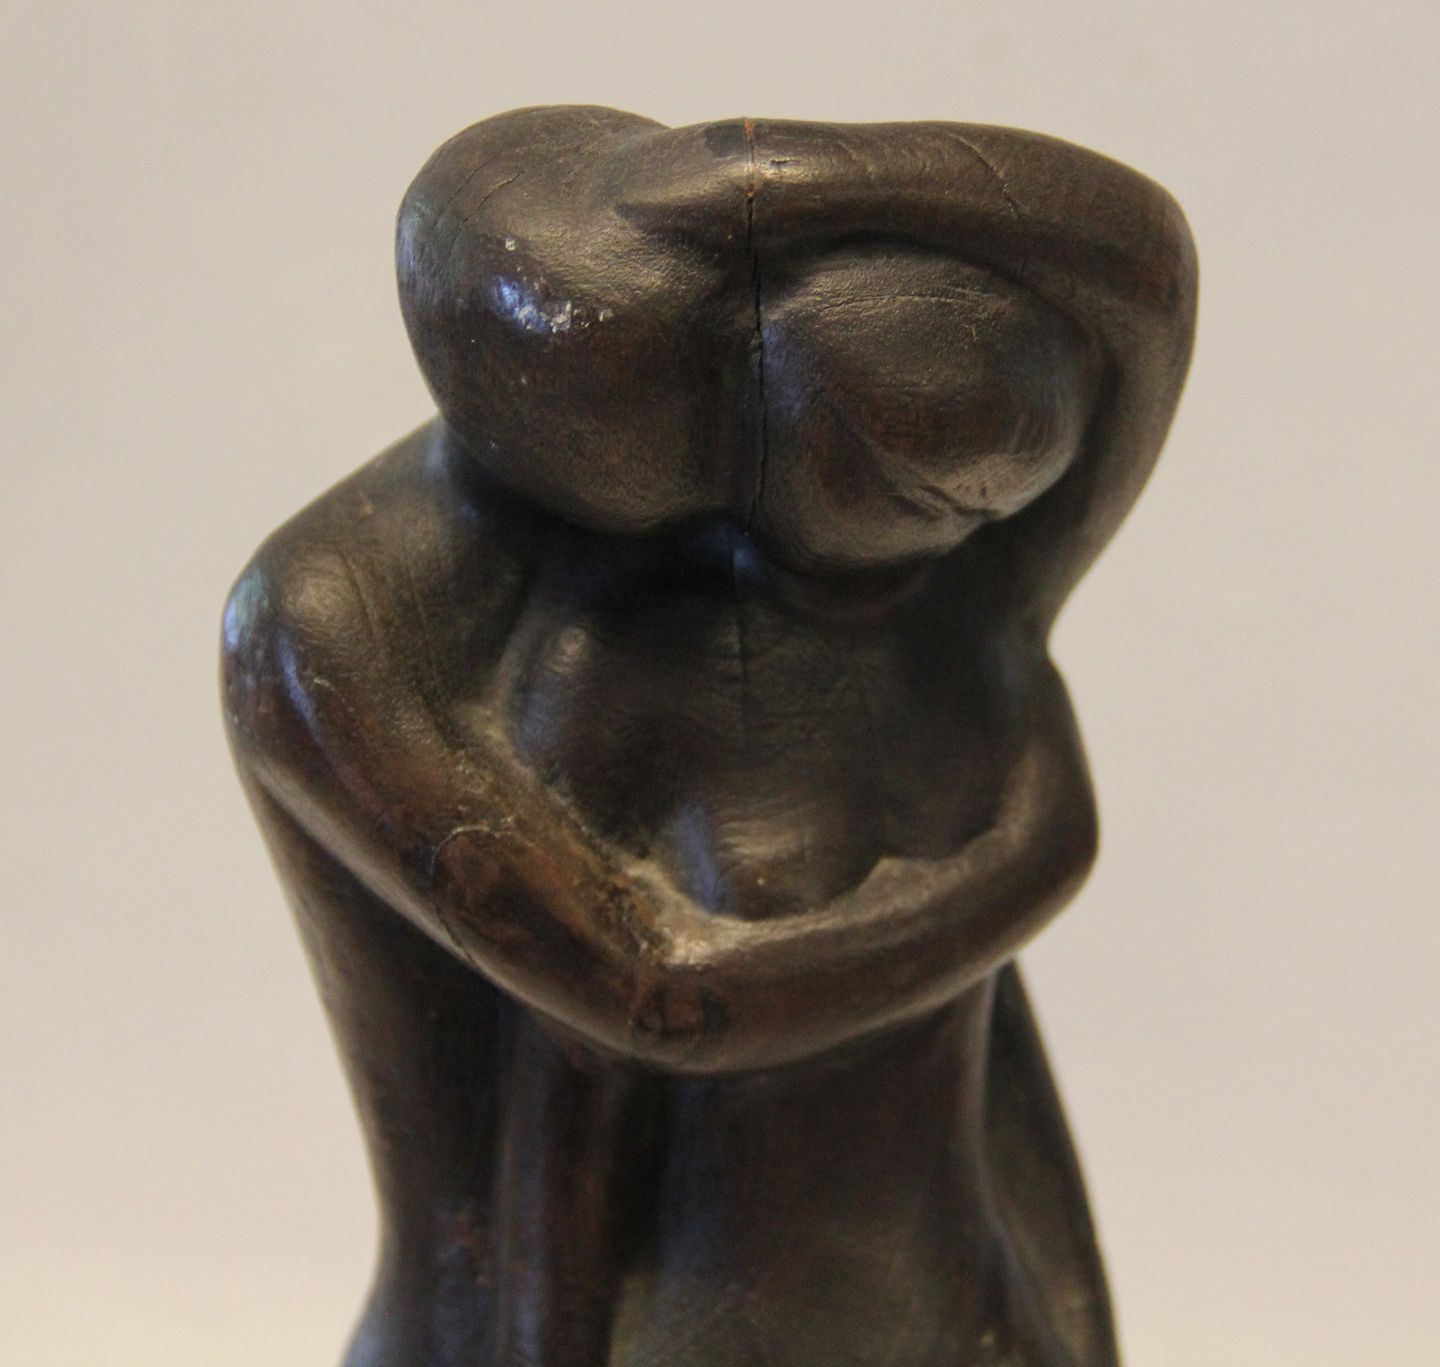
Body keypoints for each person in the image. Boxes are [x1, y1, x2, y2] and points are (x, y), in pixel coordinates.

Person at [222, 107, 1195, 1366]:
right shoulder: (367, 626)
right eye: (920, 489)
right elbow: (646, 1012)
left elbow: (1149, 273)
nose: (976, 523)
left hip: (934, 1280)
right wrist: (1003, 876)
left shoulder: (935, 616)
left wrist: (755, 183)